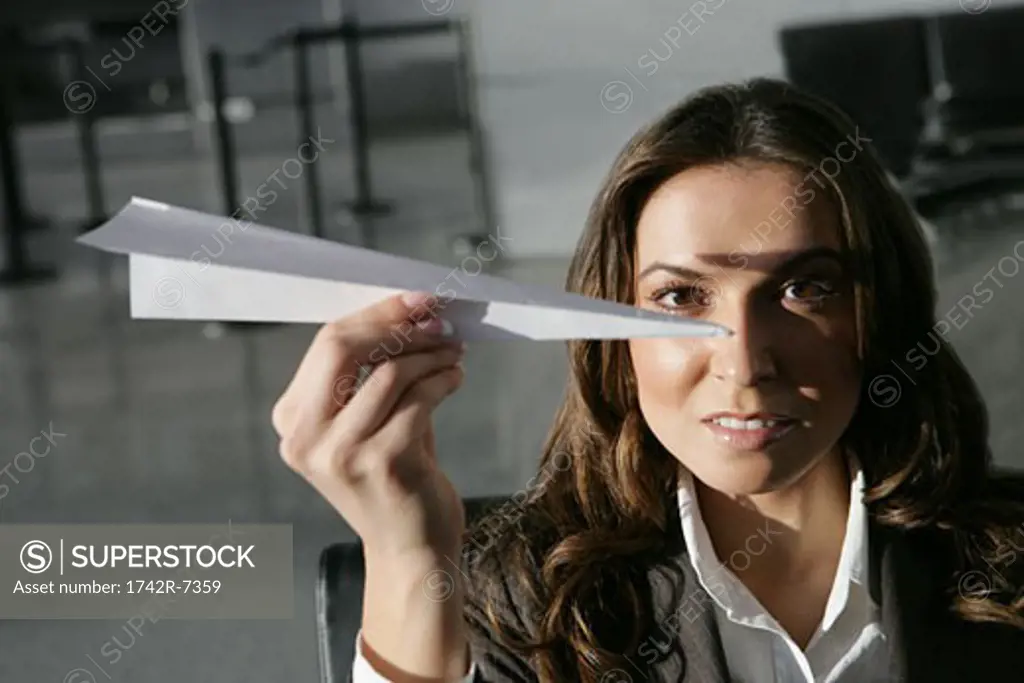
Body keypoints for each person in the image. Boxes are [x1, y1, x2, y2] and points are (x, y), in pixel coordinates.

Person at [271, 78, 1024, 683]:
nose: (745, 360)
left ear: (880, 312)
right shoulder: (526, 602)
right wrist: (407, 553)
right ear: (616, 333)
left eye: (806, 289)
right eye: (680, 296)